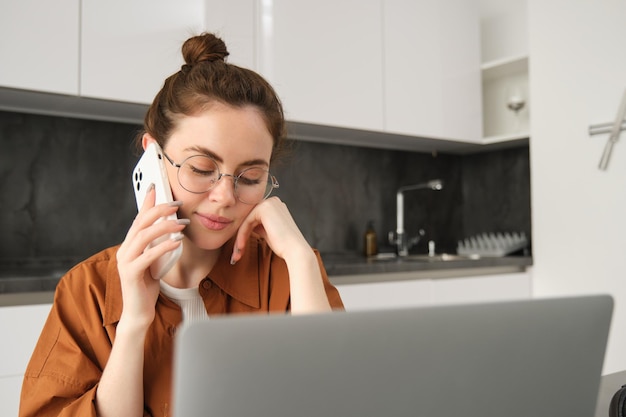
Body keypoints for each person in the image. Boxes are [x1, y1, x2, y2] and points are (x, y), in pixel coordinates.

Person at [19, 32, 344, 417]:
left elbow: (335, 402)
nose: (225, 196)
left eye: (251, 177)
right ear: (153, 156)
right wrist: (134, 323)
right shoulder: (86, 290)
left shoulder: (290, 272)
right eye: (202, 169)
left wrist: (301, 258)